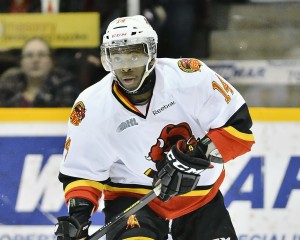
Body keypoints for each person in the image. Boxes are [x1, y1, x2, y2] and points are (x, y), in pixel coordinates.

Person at [55, 15, 255, 240]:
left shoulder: (191, 78)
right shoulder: (91, 105)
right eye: (118, 58)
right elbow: (81, 172)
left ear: (151, 54)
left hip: (199, 197)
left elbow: (240, 130)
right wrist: (77, 219)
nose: (126, 67)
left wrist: (197, 154)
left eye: (134, 55)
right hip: (131, 195)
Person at [0, 37, 79, 107]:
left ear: (52, 61)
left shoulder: (65, 85)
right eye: (29, 55)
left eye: (41, 55)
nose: (35, 60)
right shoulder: (7, 86)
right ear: (21, 62)